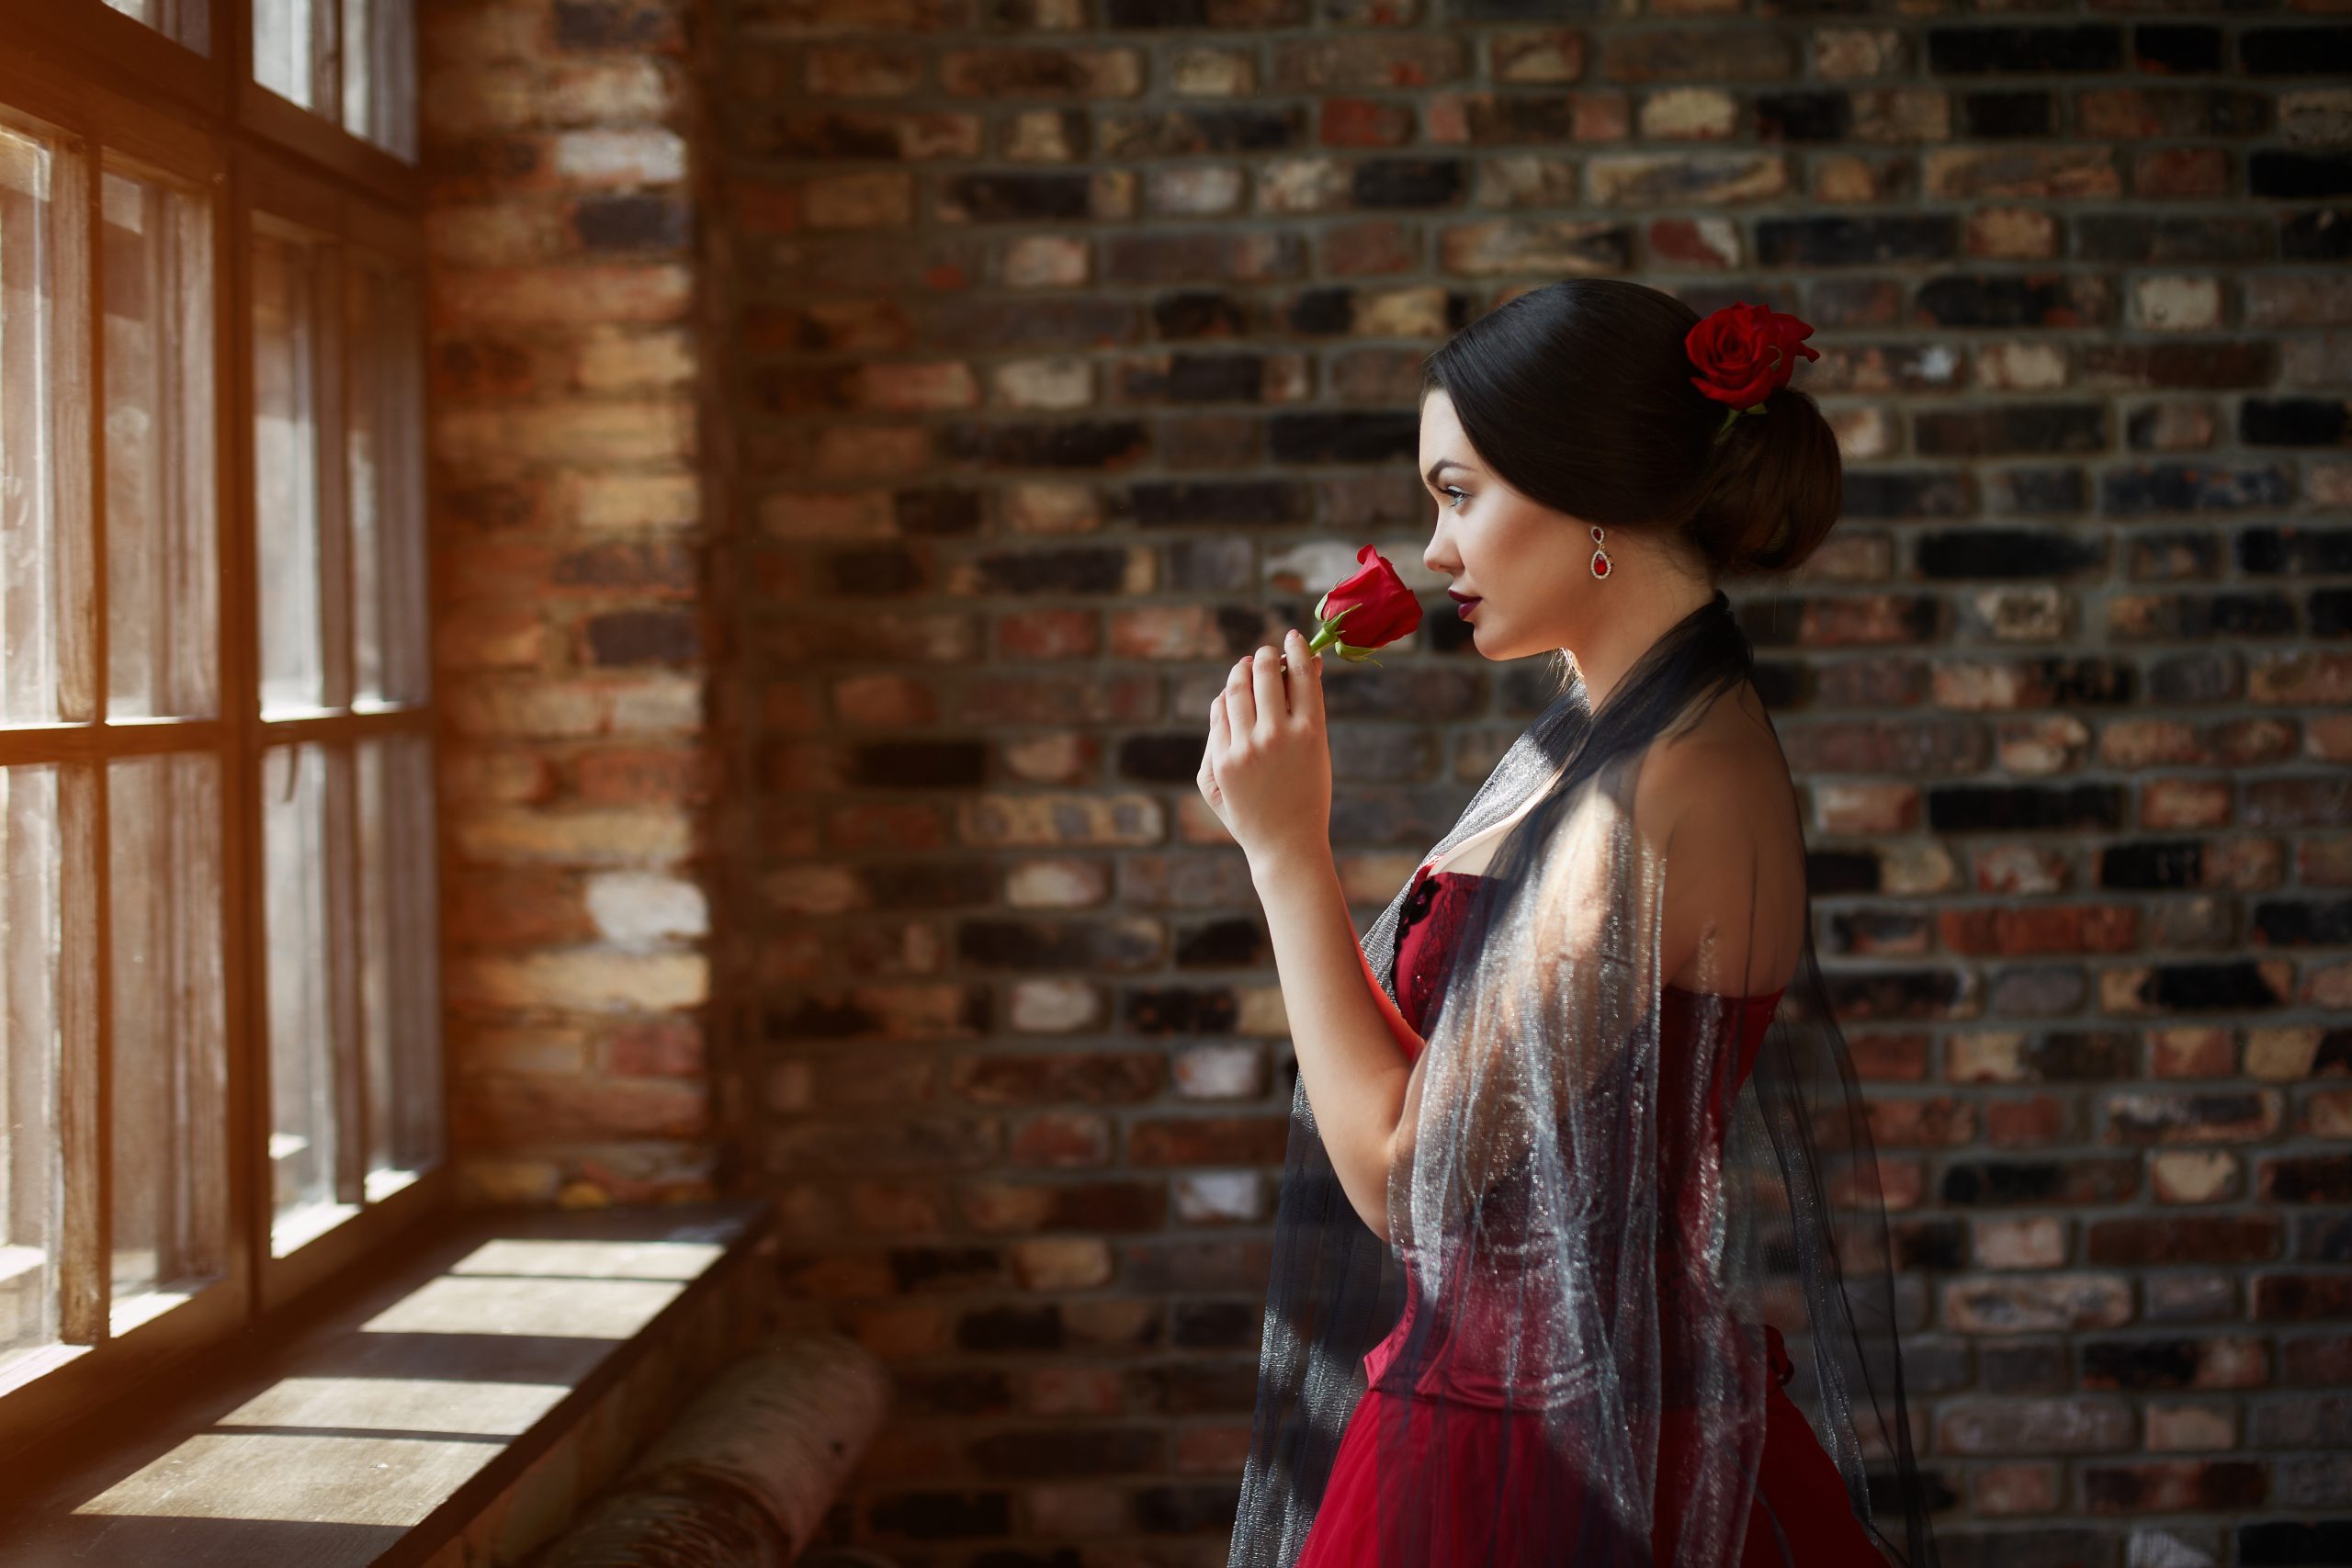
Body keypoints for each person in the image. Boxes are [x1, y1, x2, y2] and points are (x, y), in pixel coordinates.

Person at [1199, 279, 1941, 1567]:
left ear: (1592, 499)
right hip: (1542, 1410)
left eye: (1459, 493)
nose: (1434, 553)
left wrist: (1284, 853)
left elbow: (1401, 1177)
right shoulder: (1613, 739)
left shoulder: (1654, 791)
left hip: (1544, 1456)